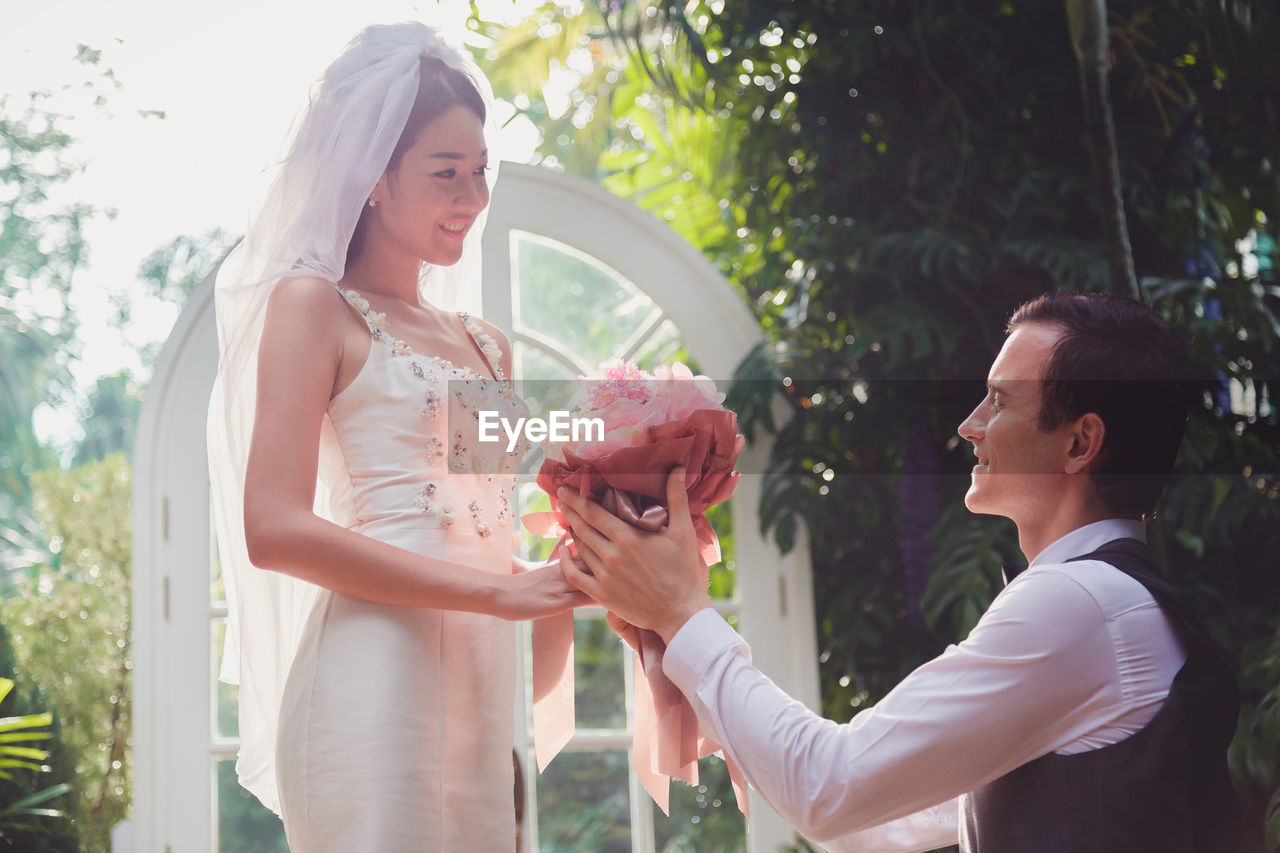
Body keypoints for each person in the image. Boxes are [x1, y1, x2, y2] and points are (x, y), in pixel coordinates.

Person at [557, 291, 1239, 852]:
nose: (971, 424)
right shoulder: (1109, 601)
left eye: (1000, 400)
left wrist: (683, 613)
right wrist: (692, 670)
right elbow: (876, 821)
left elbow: (832, 788)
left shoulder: (1083, 604)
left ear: (1080, 441)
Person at [207, 23, 585, 851]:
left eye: (480, 172)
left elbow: (482, 531)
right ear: (373, 178)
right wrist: (500, 594)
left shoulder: (487, 344)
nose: (473, 197)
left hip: (480, 690)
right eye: (446, 174)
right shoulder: (315, 308)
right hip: (368, 682)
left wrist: (571, 569)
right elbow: (272, 528)